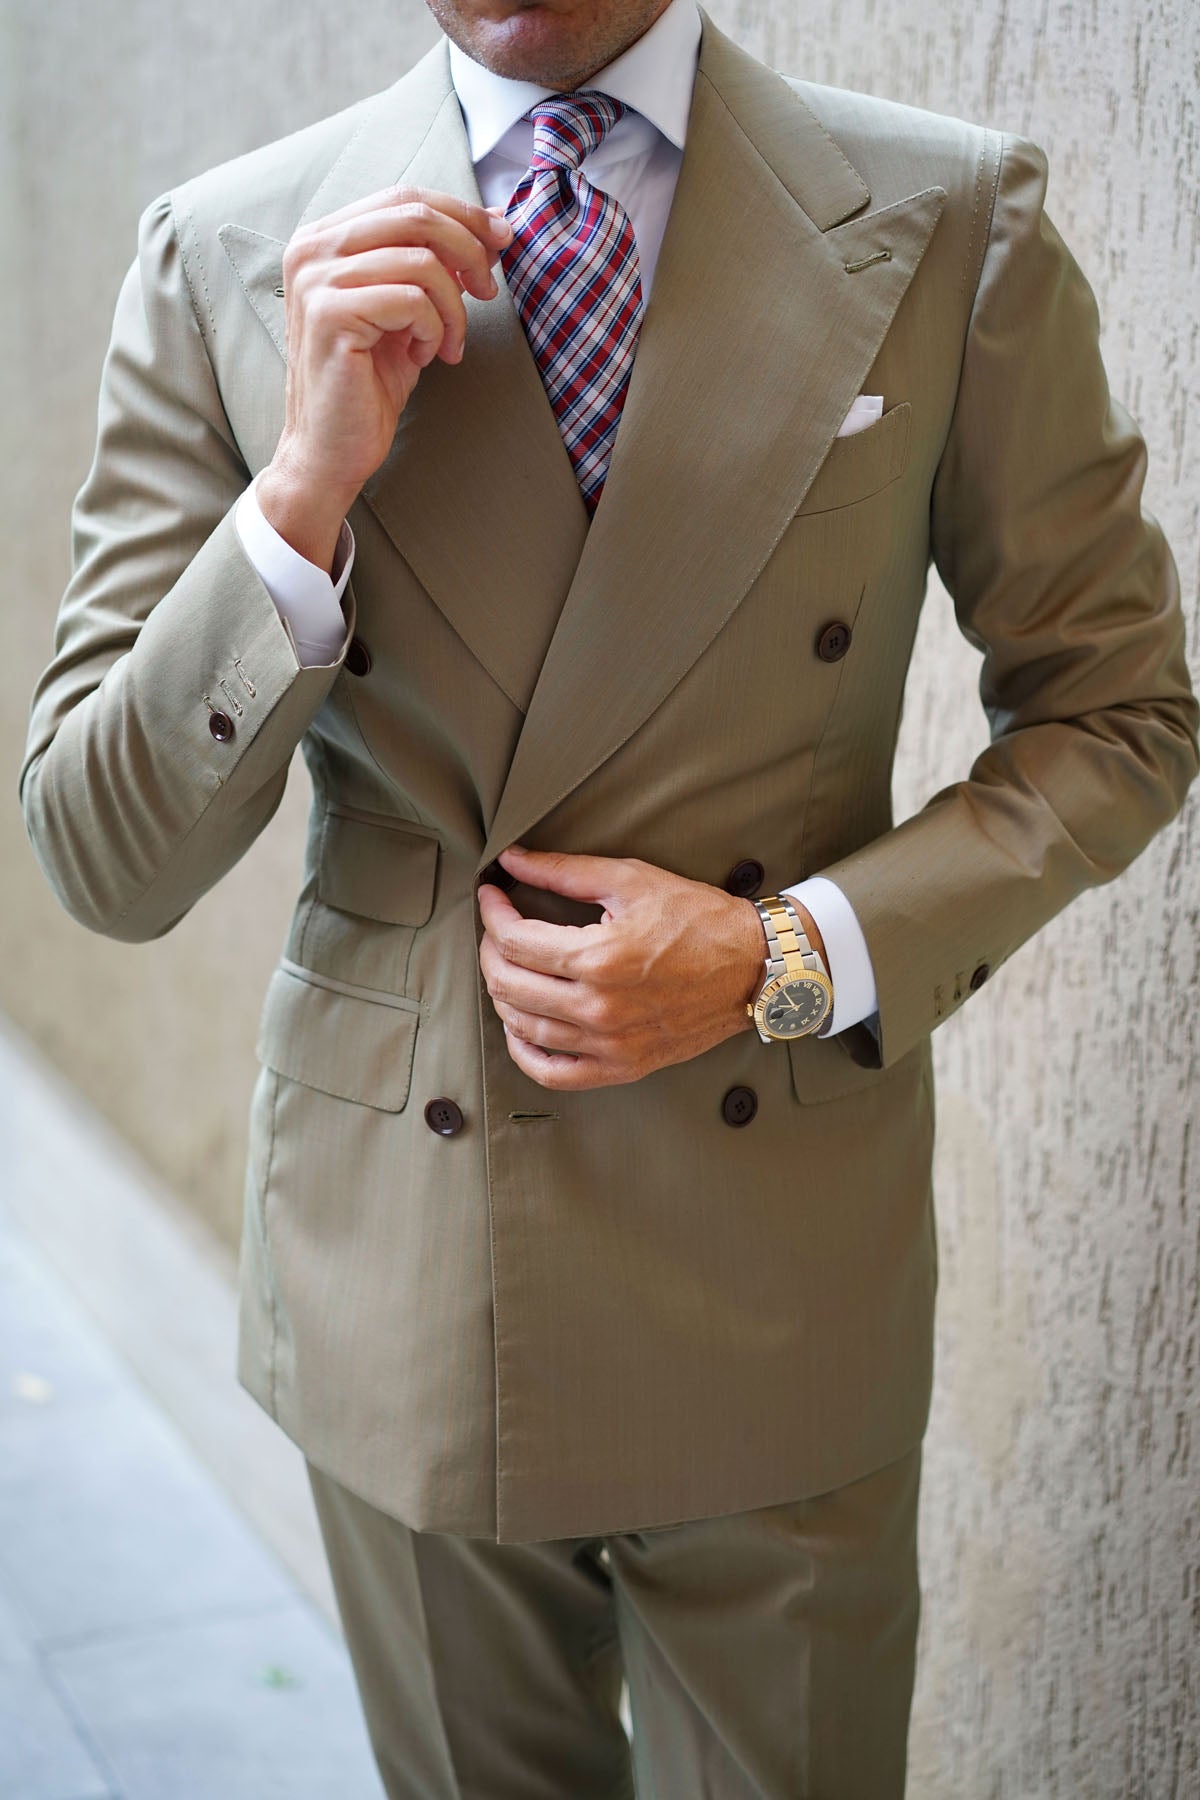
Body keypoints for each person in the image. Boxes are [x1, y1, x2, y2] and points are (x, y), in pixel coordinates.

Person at [20, 0, 1198, 1792]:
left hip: (776, 1260)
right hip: (402, 1267)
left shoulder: (945, 217)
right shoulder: (230, 251)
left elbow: (1120, 710)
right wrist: (300, 495)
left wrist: (784, 956)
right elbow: (103, 860)